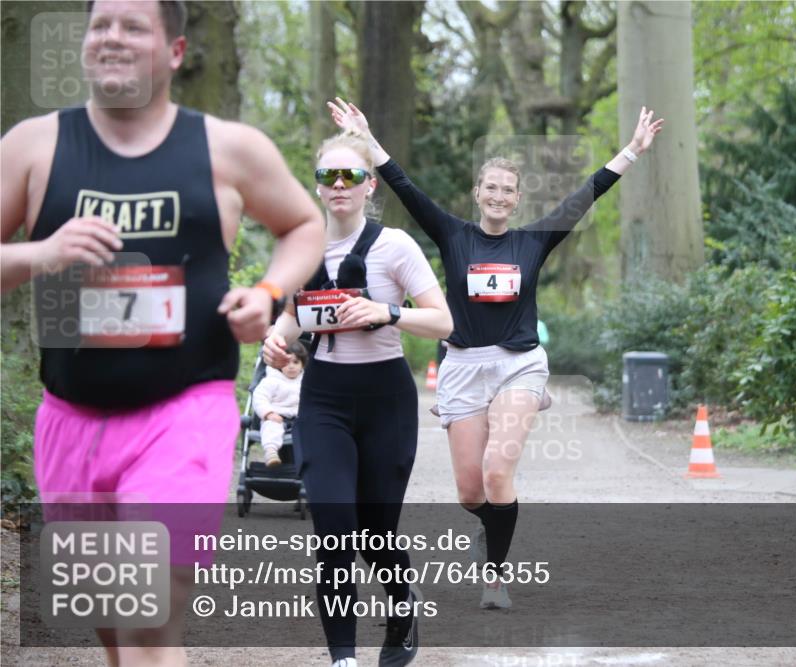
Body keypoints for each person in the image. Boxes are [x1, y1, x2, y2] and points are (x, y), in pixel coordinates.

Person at [0, 1, 324, 664]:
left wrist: (267, 293)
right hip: (71, 420)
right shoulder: (33, 146)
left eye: (133, 26)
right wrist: (42, 254)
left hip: (185, 412)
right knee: (113, 621)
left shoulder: (228, 148)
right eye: (101, 25)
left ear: (175, 52)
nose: (112, 38)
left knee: (148, 609)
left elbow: (303, 225)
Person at [329, 97, 663, 609]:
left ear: (517, 199)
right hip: (462, 366)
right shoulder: (452, 234)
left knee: (497, 470)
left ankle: (495, 578)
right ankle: (492, 525)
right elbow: (403, 185)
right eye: (492, 188)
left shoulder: (533, 241)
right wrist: (366, 138)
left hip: (518, 364)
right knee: (471, 492)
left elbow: (587, 192)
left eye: (508, 190)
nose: (499, 196)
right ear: (478, 193)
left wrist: (633, 150)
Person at [263, 129, 452, 667]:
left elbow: (443, 321)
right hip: (324, 400)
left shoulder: (395, 246)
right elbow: (292, 317)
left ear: (371, 185)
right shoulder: (301, 249)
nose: (340, 184)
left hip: (386, 402)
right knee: (334, 531)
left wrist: (387, 312)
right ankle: (342, 657)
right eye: (329, 175)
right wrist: (275, 341)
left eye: (352, 175)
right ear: (318, 186)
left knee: (374, 534)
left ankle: (402, 607)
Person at [253, 339, 307, 467]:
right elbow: (260, 397)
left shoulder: (305, 381)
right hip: (277, 416)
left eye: (296, 362)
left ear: (303, 364)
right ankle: (271, 452)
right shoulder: (271, 380)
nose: (291, 366)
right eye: (287, 362)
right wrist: (268, 413)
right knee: (271, 427)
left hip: (299, 418)